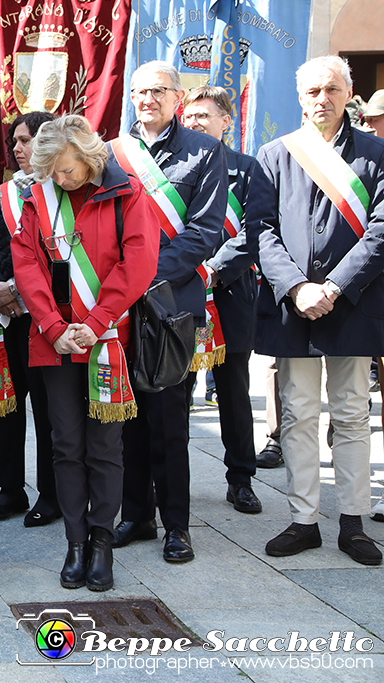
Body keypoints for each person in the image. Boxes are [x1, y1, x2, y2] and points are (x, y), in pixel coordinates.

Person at [12, 115, 160, 592]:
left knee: (105, 447)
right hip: (53, 343)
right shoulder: (38, 198)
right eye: (51, 172)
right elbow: (27, 266)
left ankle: (101, 544)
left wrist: (94, 324)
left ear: (89, 156)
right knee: (66, 445)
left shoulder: (128, 193)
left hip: (107, 339)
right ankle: (74, 544)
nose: (59, 180)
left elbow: (137, 263)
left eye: (67, 171)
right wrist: (55, 328)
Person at [250, 56, 383, 566]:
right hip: (293, 307)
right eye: (312, 91)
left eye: (331, 89)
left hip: (354, 303)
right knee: (299, 415)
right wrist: (298, 287)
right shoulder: (275, 154)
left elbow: (381, 230)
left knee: (351, 412)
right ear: (299, 97)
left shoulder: (377, 154)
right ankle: (303, 520)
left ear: (348, 93)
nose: (321, 99)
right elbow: (260, 229)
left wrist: (333, 286)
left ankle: (353, 522)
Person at [111, 60, 227, 565]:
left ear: (177, 96)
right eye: (139, 91)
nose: (147, 99)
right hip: (116, 305)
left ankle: (176, 525)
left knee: (169, 420)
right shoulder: (112, 153)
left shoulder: (205, 152)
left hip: (170, 307)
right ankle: (135, 515)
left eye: (158, 90)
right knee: (125, 416)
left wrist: (142, 273)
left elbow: (205, 232)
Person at [180, 86, 263, 514]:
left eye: (205, 116)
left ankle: (241, 478)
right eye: (190, 116)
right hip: (181, 292)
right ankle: (170, 481)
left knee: (233, 389)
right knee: (176, 389)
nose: (195, 123)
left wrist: (210, 269)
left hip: (230, 294)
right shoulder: (177, 167)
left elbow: (254, 233)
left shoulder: (248, 170)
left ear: (226, 121)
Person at [0, 111, 59, 526]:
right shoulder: (1, 194)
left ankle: (51, 494)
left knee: (49, 412)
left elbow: (60, 258)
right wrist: (2, 293)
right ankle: (10, 488)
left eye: (27, 140)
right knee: (6, 407)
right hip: (6, 318)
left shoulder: (62, 193)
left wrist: (20, 291)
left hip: (44, 320)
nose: (18, 148)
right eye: (15, 140)